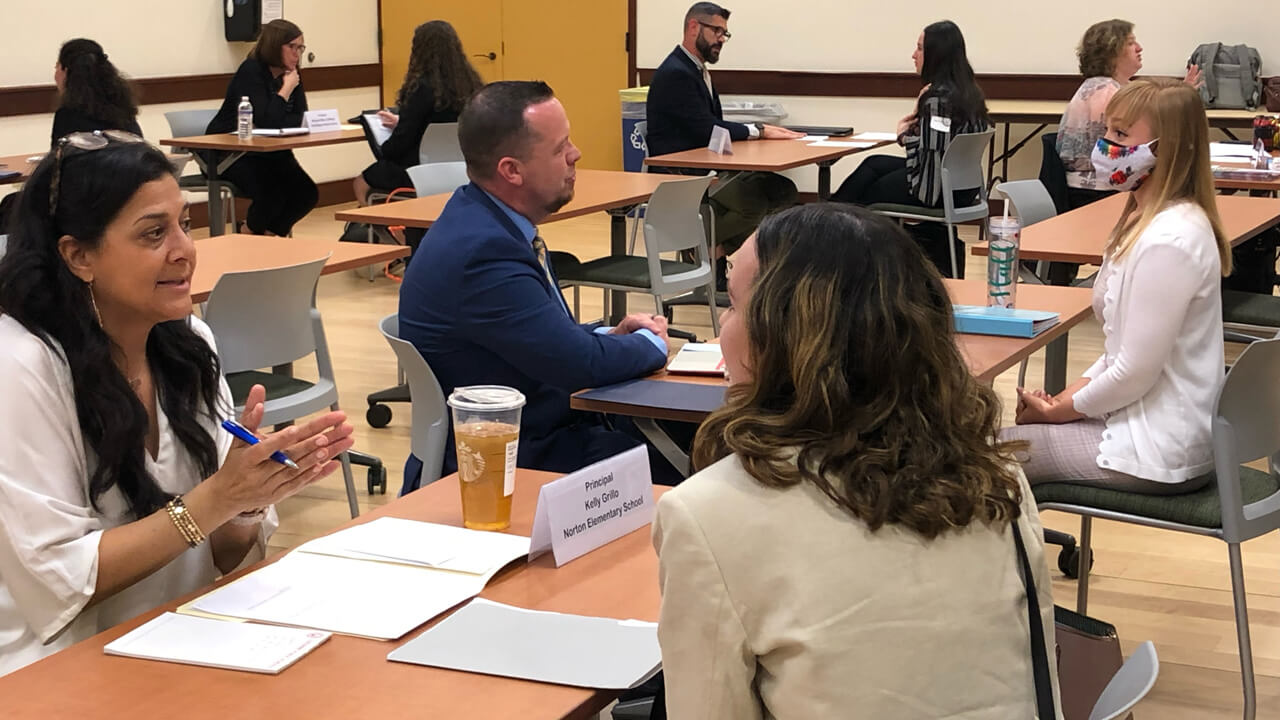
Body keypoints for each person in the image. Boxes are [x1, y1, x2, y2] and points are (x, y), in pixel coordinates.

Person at [653, 203, 1059, 718]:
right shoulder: (997, 478)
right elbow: (1040, 681)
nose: (720, 333)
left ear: (785, 336)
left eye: (732, 307)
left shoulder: (707, 514)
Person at [0, 137, 355, 676]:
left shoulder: (188, 341)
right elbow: (62, 583)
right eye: (153, 233)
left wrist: (251, 499)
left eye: (185, 224)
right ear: (78, 256)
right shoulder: (21, 366)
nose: (184, 249)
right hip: (53, 670)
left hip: (179, 641)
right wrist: (216, 500)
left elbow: (217, 558)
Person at [397, 81, 682, 494]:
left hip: (533, 433)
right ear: (511, 170)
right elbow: (577, 364)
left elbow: (542, 339)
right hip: (511, 461)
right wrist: (652, 344)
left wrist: (609, 333)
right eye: (559, 148)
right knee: (699, 468)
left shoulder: (484, 220)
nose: (575, 154)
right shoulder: (484, 253)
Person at [1005, 78, 1230, 493]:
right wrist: (1059, 403)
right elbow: (1117, 354)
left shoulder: (1171, 239)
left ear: (1166, 149)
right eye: (1108, 130)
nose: (1104, 145)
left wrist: (1059, 413)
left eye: (1121, 134)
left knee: (983, 461)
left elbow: (1132, 373)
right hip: (1137, 423)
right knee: (981, 456)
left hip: (1159, 449)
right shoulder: (1141, 220)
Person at [645, 2, 801, 267]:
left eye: (724, 33)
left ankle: (714, 250)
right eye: (716, 31)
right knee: (752, 203)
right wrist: (758, 130)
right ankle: (698, 246)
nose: (721, 39)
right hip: (683, 174)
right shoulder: (676, 74)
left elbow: (712, 124)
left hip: (711, 164)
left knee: (782, 190)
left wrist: (755, 132)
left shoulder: (697, 69)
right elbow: (707, 129)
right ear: (693, 27)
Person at [833, 20, 991, 278]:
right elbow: (941, 143)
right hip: (961, 187)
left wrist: (905, 134)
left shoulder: (938, 100)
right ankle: (829, 215)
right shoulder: (969, 93)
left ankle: (827, 228)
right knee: (873, 164)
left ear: (935, 55)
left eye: (919, 48)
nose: (913, 55)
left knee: (867, 197)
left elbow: (934, 149)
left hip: (934, 189)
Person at [1056, 20, 1201, 209]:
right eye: (1131, 43)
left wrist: (1179, 96)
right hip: (1096, 195)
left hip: (1101, 187)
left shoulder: (1108, 87)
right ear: (1112, 51)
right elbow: (1147, 133)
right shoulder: (1106, 92)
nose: (1139, 48)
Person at [206, 19, 317, 236]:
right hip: (231, 153)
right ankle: (253, 233)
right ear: (275, 47)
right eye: (292, 47)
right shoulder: (252, 71)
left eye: (300, 47)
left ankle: (265, 234)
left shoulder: (292, 74)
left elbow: (299, 118)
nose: (297, 54)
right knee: (273, 192)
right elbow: (270, 121)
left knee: (307, 193)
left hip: (269, 151)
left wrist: (284, 102)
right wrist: (285, 89)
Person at [354, 20, 483, 203]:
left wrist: (385, 149)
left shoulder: (421, 89)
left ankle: (375, 229)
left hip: (419, 170)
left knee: (362, 181)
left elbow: (400, 143)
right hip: (463, 169)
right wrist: (401, 121)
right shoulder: (472, 86)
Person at [50, 38, 142, 143]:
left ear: (65, 71)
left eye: (57, 66)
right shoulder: (122, 107)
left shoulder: (66, 115)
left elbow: (59, 155)